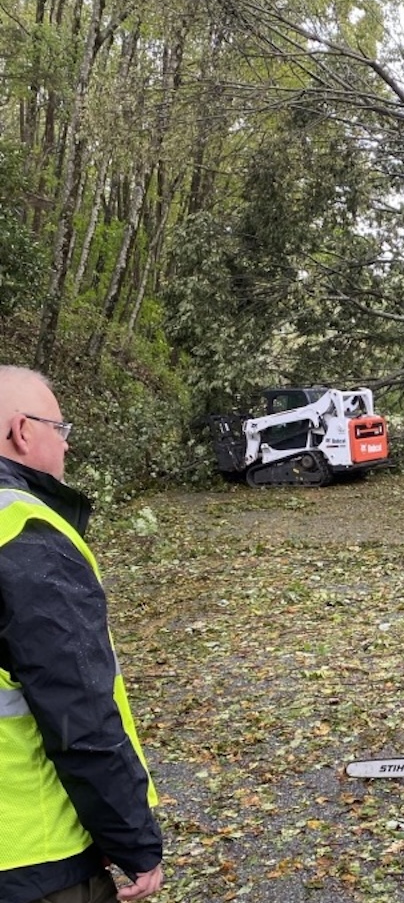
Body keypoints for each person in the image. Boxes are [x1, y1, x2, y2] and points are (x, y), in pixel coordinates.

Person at [0, 366, 163, 903]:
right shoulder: (26, 533)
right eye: (59, 429)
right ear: (22, 431)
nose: (66, 446)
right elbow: (79, 713)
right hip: (31, 856)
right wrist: (133, 839)